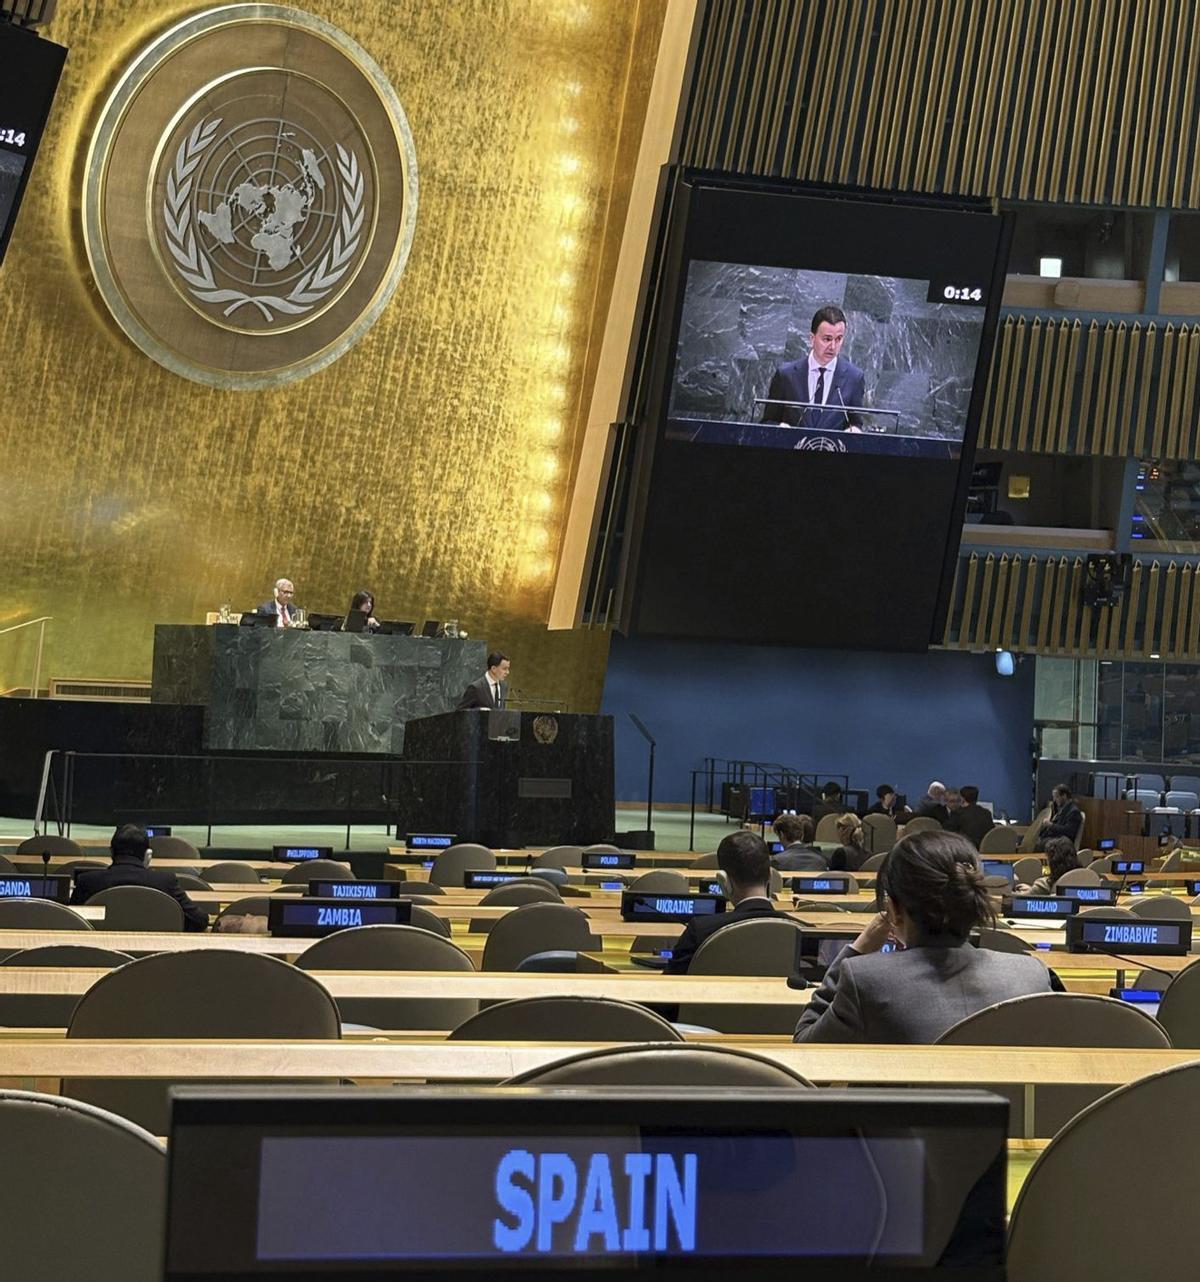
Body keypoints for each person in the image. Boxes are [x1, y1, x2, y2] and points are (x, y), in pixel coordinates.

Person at [793, 830, 1052, 1043]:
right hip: (1010, 1107)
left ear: (893, 910)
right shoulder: (1032, 975)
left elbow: (806, 1046)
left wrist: (857, 950)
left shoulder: (865, 980)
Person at [665, 831, 788, 974]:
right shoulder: (802, 931)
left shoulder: (700, 931)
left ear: (723, 881)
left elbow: (671, 984)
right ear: (770, 876)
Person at [71, 824, 209, 932]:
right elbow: (200, 921)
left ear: (111, 852)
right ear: (147, 855)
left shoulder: (88, 882)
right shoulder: (165, 882)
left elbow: (71, 922)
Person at [761, 305, 866, 431]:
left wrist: (854, 430)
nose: (833, 346)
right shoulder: (786, 375)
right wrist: (779, 428)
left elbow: (856, 424)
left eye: (838, 339)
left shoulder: (854, 378)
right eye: (827, 339)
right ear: (812, 338)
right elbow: (767, 422)